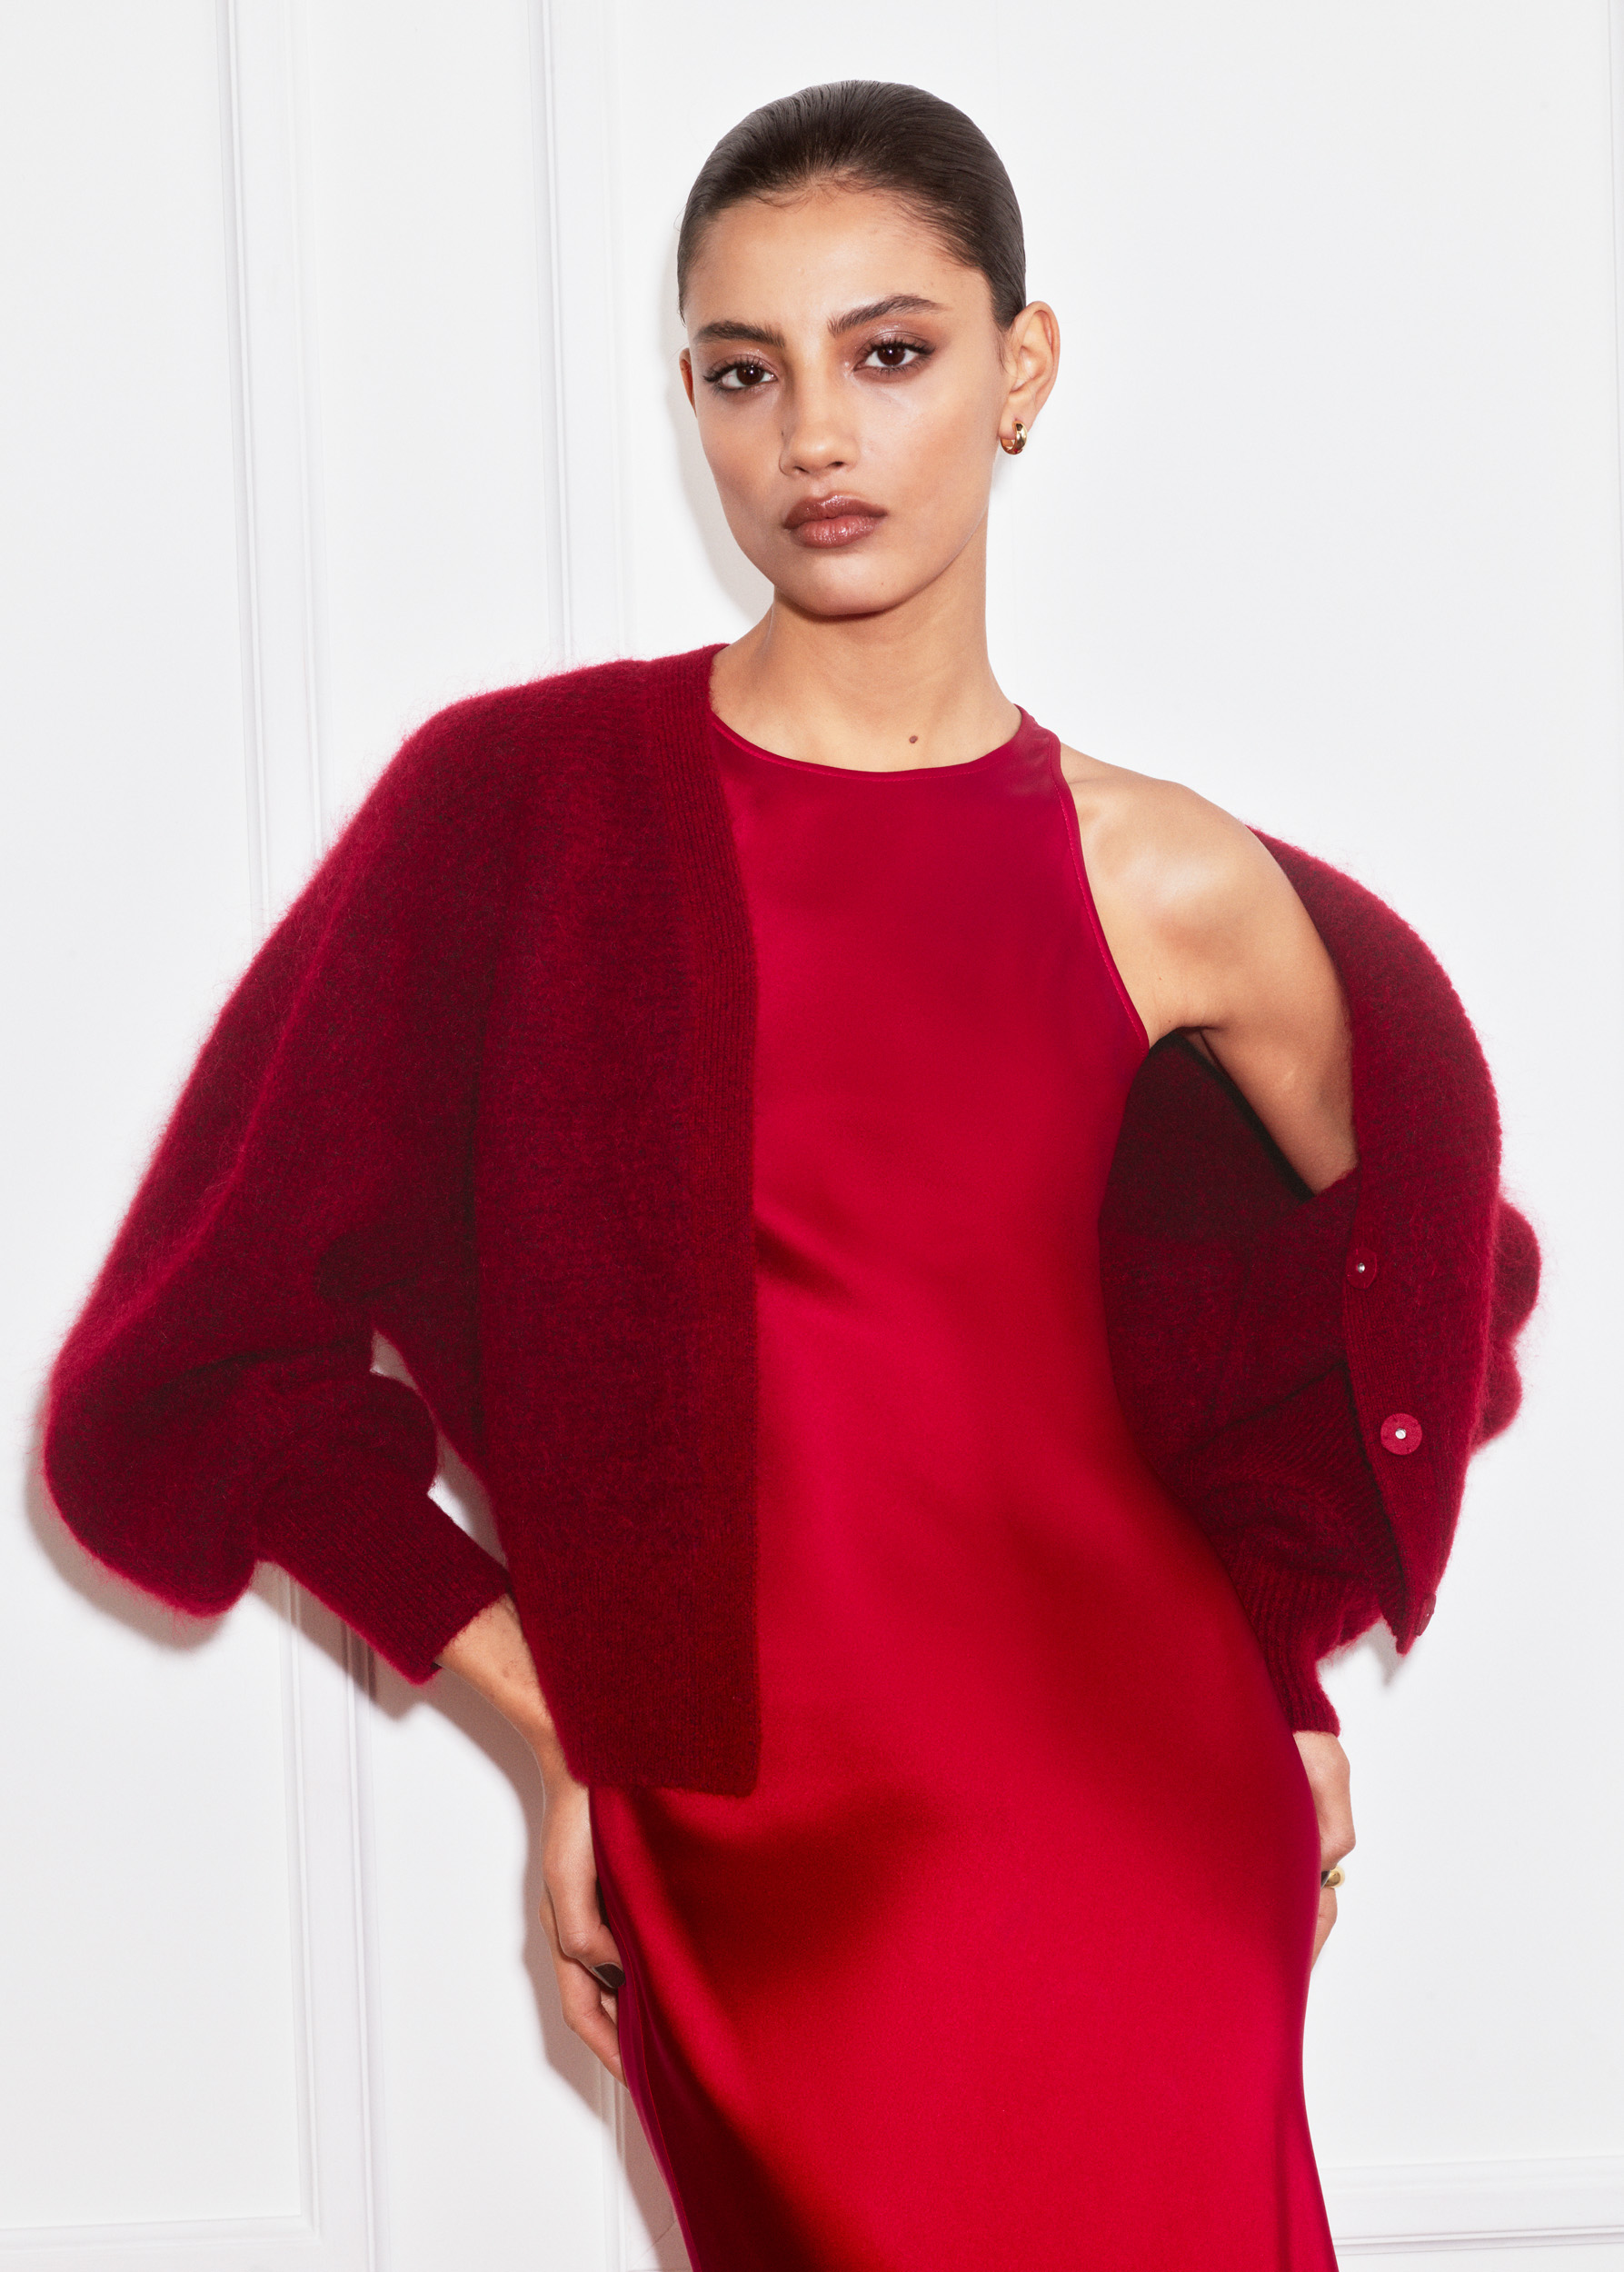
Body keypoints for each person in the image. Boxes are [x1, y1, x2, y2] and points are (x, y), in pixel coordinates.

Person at [45, 80, 1537, 2272]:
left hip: (1131, 1809)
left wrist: (1278, 1657)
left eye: (890, 351)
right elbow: (185, 1370)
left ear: (1022, 368)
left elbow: (1433, 1274)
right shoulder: (519, 809)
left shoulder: (1172, 880)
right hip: (753, 1853)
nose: (816, 436)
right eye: (746, 373)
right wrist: (569, 1716)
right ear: (692, 401)